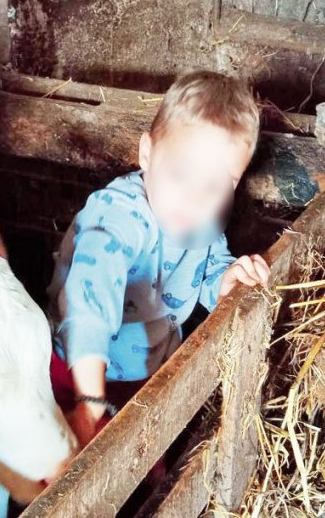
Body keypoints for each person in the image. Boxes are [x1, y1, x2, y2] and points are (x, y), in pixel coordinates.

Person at [47, 70, 271, 448]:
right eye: (180, 174)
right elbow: (89, 295)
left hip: (152, 373)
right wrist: (89, 401)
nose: (194, 199)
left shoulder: (203, 221)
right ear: (147, 154)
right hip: (78, 371)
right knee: (68, 461)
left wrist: (225, 280)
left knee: (146, 458)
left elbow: (209, 264)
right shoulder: (119, 216)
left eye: (216, 186)